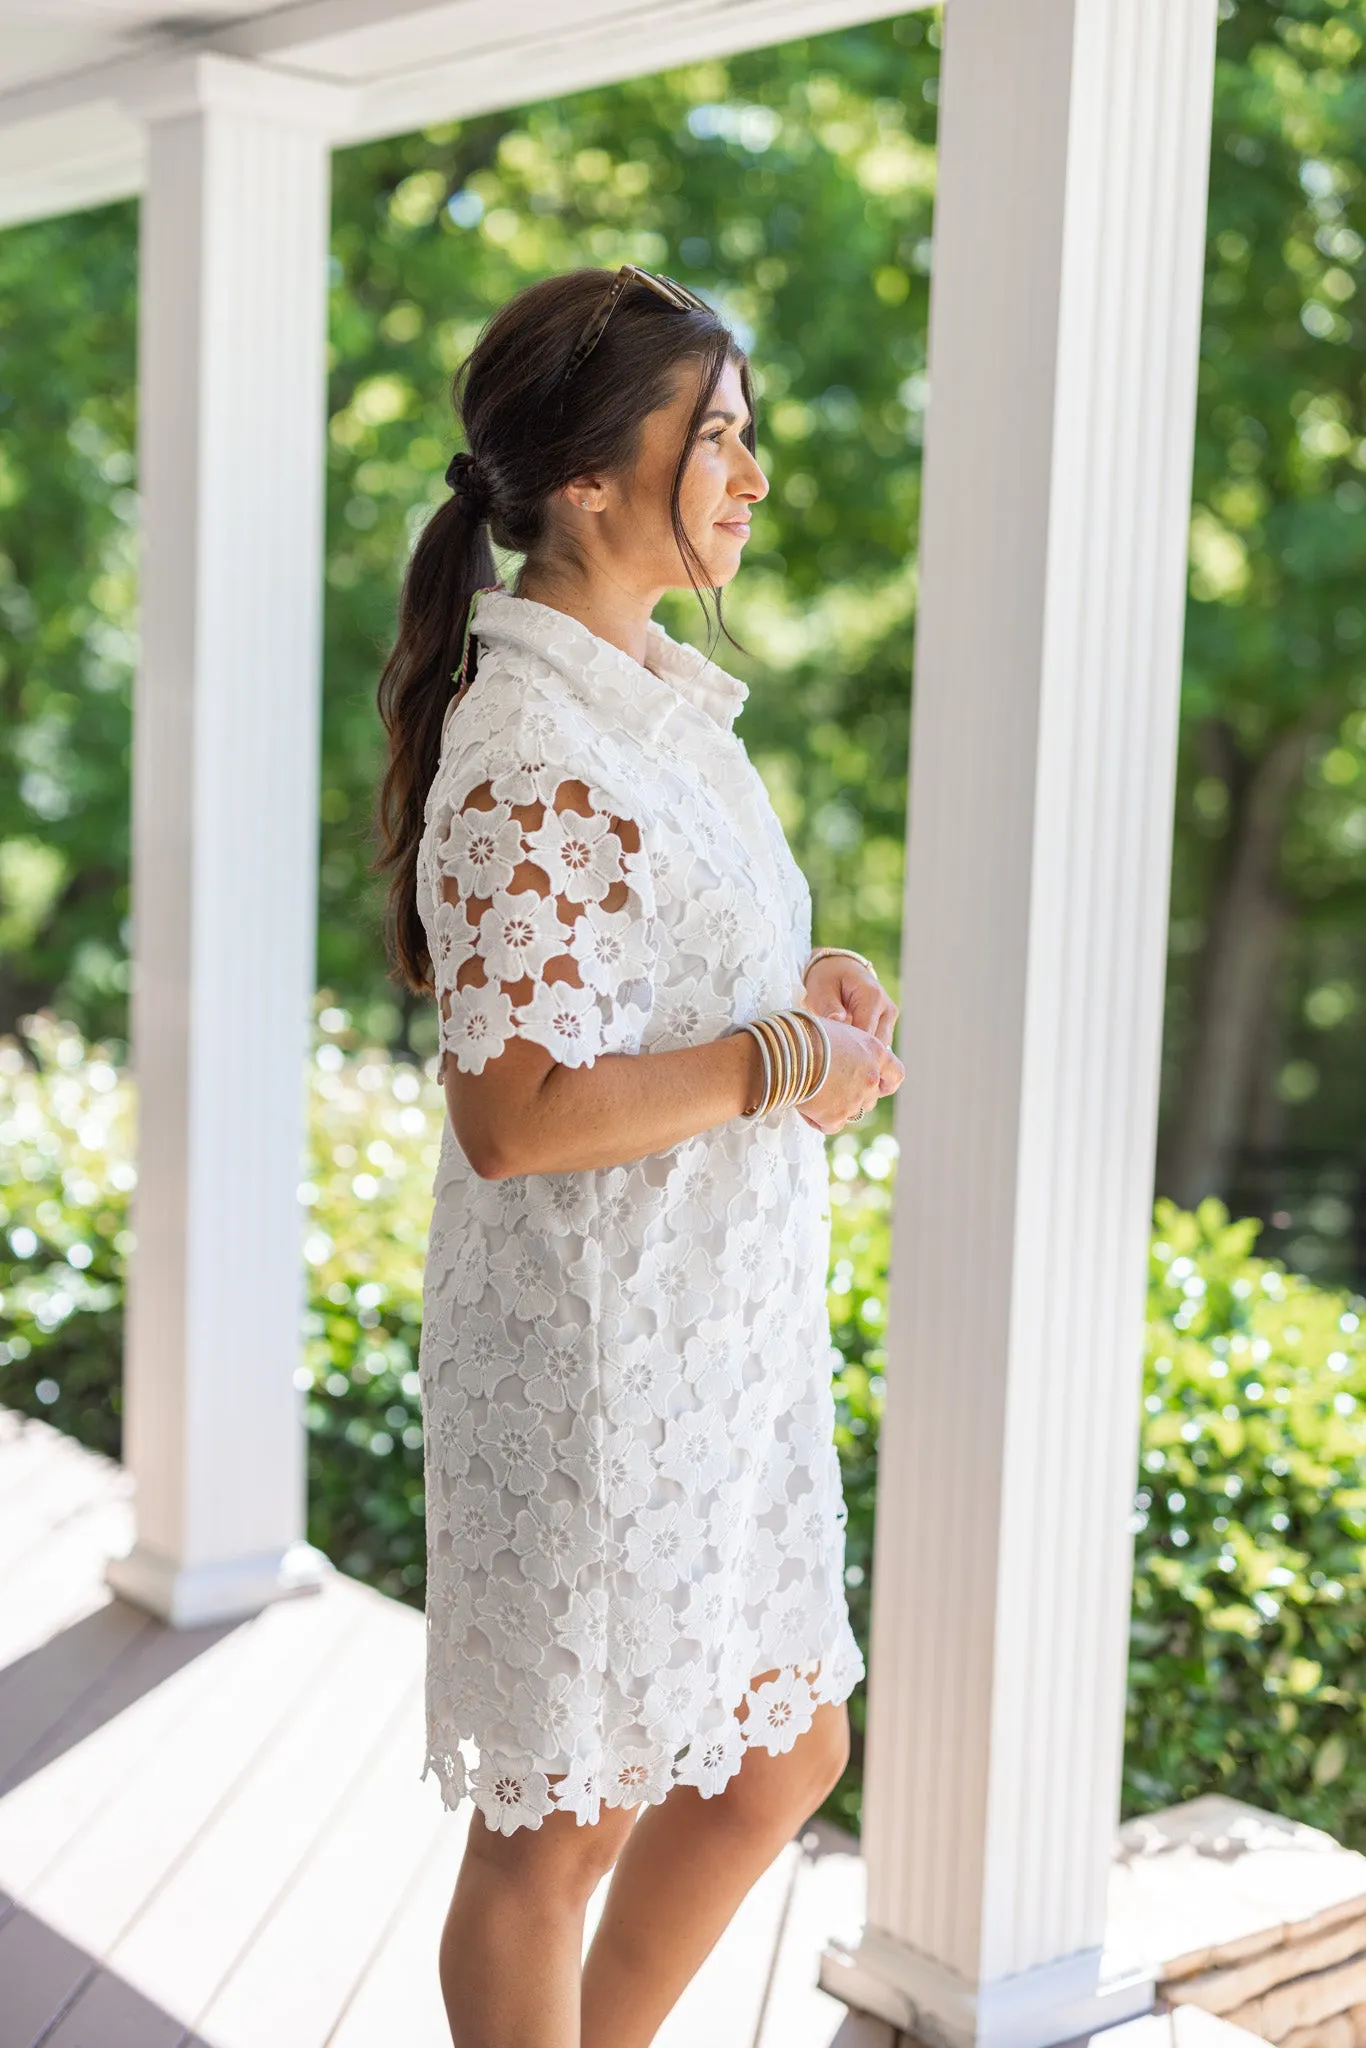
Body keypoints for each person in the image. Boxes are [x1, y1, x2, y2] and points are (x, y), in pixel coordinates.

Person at [374, 263, 904, 2048]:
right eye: (719, 439)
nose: (752, 475)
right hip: (601, 1359)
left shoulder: (658, 704)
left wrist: (798, 1005)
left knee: (783, 1748)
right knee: (557, 1829)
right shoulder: (527, 742)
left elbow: (648, 1007)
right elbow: (515, 1113)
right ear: (593, 478)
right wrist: (774, 1057)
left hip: (717, 1347)